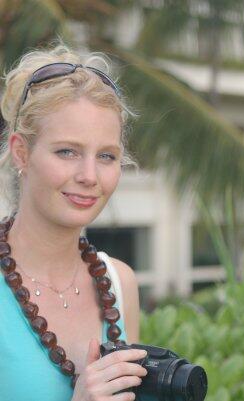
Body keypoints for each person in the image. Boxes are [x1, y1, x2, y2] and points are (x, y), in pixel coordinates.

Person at [0, 44, 148, 400]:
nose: (89, 176)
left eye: (106, 156)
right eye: (67, 151)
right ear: (21, 152)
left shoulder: (120, 283)